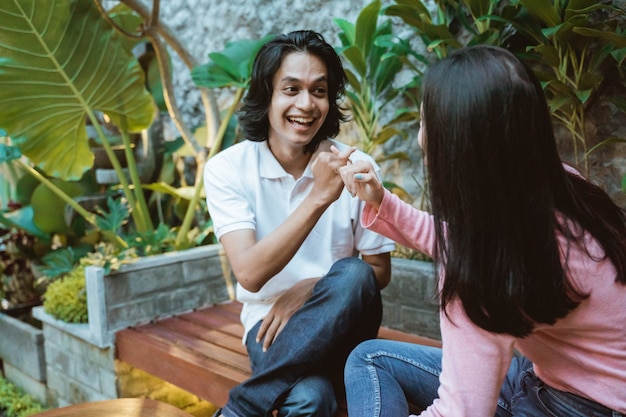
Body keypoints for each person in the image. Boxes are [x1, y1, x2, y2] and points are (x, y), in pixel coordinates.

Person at [336, 44, 626, 416]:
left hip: (581, 407)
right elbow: (471, 240)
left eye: (426, 122)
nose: (421, 138)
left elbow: (461, 411)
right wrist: (382, 201)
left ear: (456, 144)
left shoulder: (482, 278)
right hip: (555, 377)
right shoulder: (562, 189)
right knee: (370, 357)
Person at [203, 30, 396, 417]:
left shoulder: (357, 168)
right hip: (271, 328)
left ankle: (241, 408)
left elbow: (378, 271)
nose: (306, 104)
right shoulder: (229, 169)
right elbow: (250, 275)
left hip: (346, 325)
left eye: (319, 91)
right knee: (310, 398)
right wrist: (320, 196)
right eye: (291, 89)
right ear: (267, 95)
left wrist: (313, 289)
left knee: (354, 273)